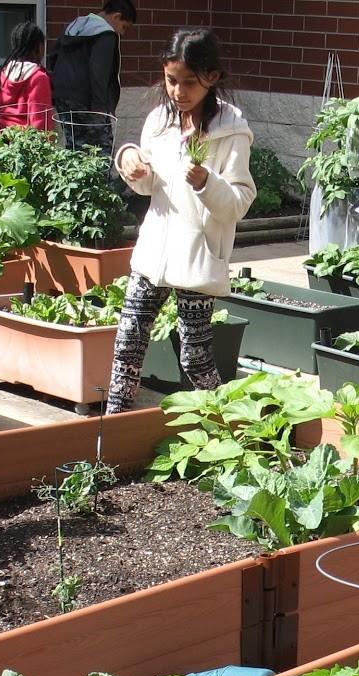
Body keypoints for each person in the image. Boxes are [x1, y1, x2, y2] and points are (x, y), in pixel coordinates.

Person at [103, 28, 253, 416]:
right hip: (154, 250)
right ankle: (113, 425)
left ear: (211, 77)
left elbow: (239, 202)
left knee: (195, 356)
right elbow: (148, 184)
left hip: (198, 255)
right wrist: (130, 162)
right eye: (171, 80)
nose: (178, 91)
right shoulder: (159, 120)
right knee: (127, 343)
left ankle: (227, 422)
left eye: (189, 82)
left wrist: (207, 183)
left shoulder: (231, 129)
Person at [49, 0, 136, 157]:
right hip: (88, 101)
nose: (122, 33)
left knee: (75, 149)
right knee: (102, 150)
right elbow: (99, 73)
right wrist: (100, 110)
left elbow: (53, 58)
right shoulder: (105, 34)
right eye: (124, 27)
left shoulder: (74, 27)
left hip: (63, 98)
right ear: (116, 17)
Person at [0, 21, 53, 134]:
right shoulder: (38, 77)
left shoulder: (4, 73)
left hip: (4, 139)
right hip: (28, 142)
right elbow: (41, 122)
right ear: (38, 46)